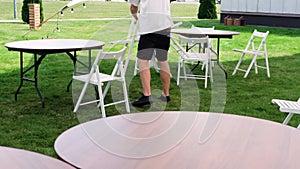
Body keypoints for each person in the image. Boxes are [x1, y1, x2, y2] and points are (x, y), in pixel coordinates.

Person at [128, 0, 174, 107]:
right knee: (163, 60)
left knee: (143, 61)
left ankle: (147, 95)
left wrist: (138, 19)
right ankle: (166, 94)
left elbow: (133, 8)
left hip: (149, 29)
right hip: (165, 27)